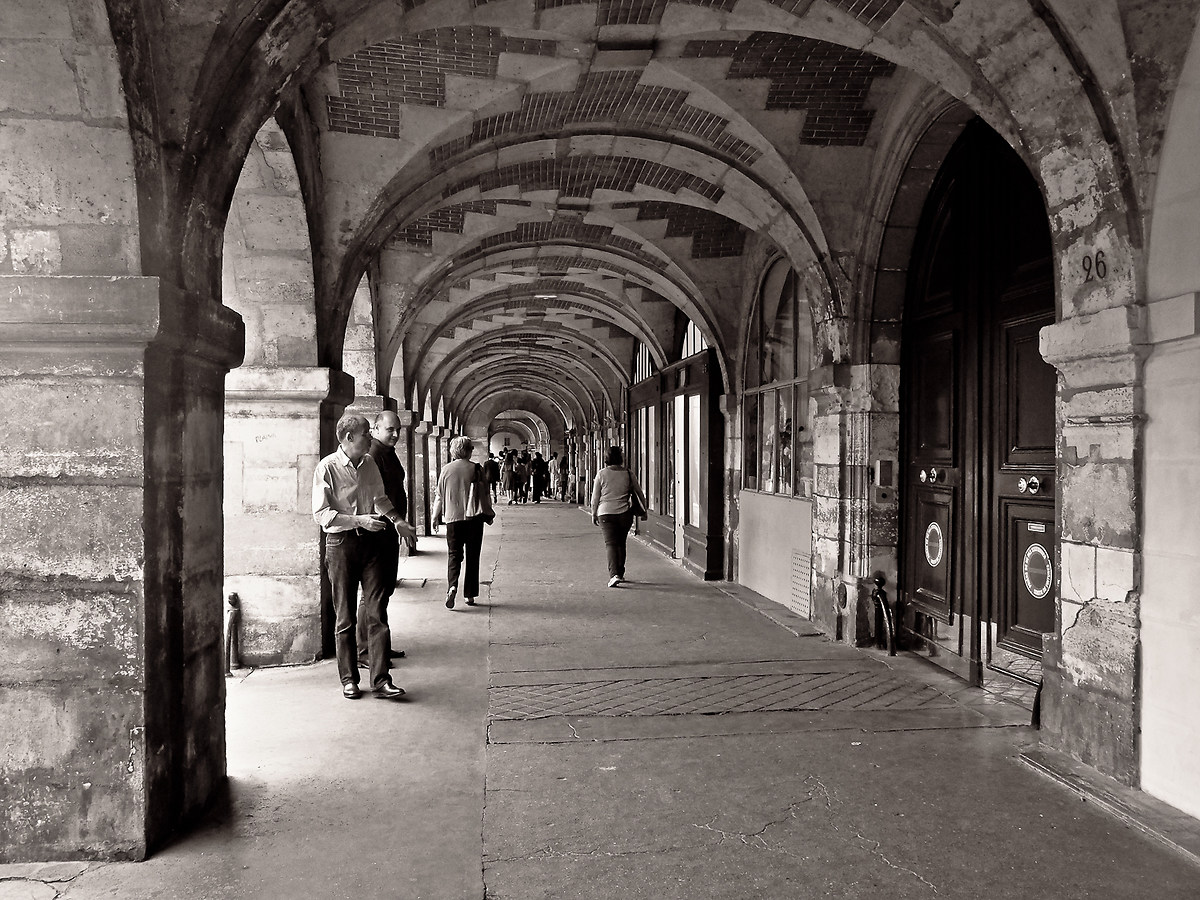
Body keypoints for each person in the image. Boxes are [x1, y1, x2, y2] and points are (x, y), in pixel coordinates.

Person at [312, 413, 417, 700]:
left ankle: (381, 680)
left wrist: (397, 520)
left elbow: (380, 499)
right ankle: (349, 679)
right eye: (366, 433)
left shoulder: (369, 463)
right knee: (344, 616)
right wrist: (360, 521)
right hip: (342, 545)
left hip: (371, 545)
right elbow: (323, 515)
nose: (370, 437)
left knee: (377, 611)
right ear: (348, 438)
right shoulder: (327, 469)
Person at [353, 410, 413, 670]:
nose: (396, 434)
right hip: (379, 533)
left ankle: (379, 645)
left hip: (390, 533)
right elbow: (375, 498)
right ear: (376, 430)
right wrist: (394, 520)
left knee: (383, 591)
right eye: (390, 429)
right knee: (373, 593)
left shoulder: (386, 453)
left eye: (398, 429)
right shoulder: (374, 456)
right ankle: (366, 650)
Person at [431, 436, 495, 608]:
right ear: (468, 451)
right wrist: (488, 511)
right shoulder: (477, 469)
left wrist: (434, 517)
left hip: (452, 519)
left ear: (453, 450)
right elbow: (486, 494)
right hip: (474, 518)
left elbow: (439, 496)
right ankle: (469, 595)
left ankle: (452, 586)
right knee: (473, 556)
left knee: (454, 555)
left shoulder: (445, 470)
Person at [590, 445, 648, 588]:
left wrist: (593, 513)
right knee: (621, 543)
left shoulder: (601, 474)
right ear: (621, 458)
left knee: (611, 544)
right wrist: (644, 510)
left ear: (606, 458)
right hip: (624, 514)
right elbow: (640, 494)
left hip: (605, 513)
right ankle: (620, 573)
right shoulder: (628, 474)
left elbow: (595, 497)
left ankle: (614, 575)